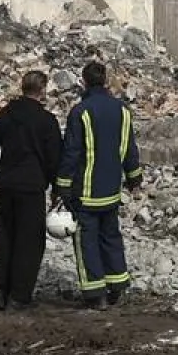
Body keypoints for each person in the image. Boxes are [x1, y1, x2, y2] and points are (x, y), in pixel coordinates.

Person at [54, 60, 143, 309]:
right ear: (105, 80)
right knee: (111, 237)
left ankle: (96, 294)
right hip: (111, 190)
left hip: (86, 193)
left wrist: (61, 186)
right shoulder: (123, 110)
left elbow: (71, 153)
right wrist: (135, 178)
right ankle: (117, 286)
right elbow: (129, 150)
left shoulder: (80, 112)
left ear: (84, 81)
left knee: (87, 242)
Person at [0, 70, 62, 312]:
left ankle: (0, 290)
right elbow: (54, 159)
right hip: (32, 187)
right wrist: (57, 188)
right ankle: (20, 295)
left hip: (7, 185)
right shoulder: (47, 121)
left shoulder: (6, 115)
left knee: (4, 237)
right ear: (42, 90)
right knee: (29, 241)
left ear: (22, 88)